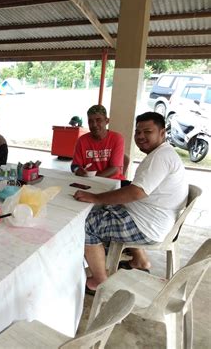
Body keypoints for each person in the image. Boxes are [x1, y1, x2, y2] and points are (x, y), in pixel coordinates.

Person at [73, 112, 188, 292]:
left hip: (147, 225)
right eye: (138, 132)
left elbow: (136, 192)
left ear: (162, 132)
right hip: (153, 218)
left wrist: (95, 197)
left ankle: (100, 281)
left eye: (147, 131)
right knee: (105, 206)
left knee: (85, 224)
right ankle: (140, 261)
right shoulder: (161, 153)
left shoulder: (161, 157)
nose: (141, 136)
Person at [71, 105, 125, 181]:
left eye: (98, 120)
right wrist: (77, 170)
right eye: (90, 121)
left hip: (112, 182)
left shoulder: (117, 138)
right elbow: (74, 166)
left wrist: (93, 178)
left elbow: (114, 169)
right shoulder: (82, 140)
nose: (94, 125)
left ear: (107, 121)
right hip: (88, 181)